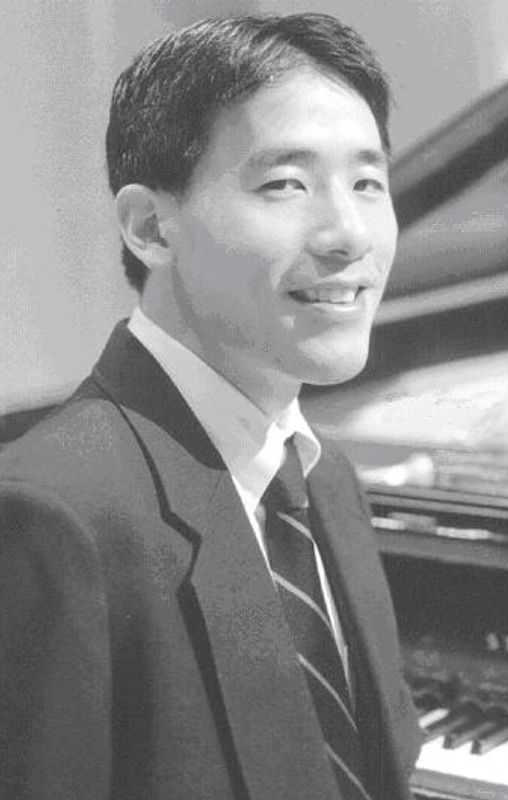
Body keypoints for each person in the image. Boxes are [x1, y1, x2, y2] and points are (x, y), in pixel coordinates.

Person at [0, 13, 421, 800]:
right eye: (286, 184)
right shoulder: (47, 518)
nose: (349, 234)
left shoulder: (326, 484)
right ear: (150, 227)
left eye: (368, 183)